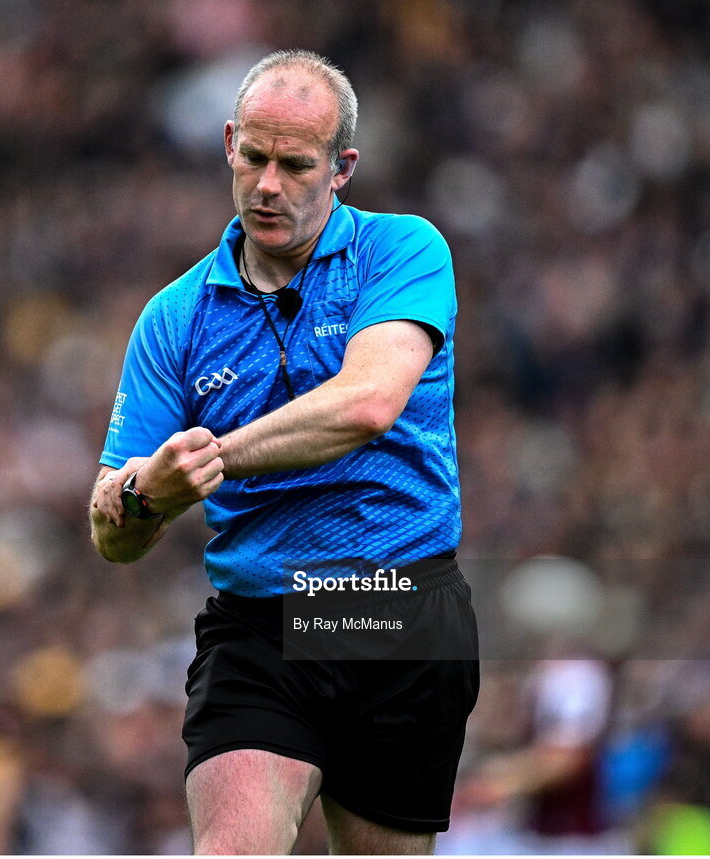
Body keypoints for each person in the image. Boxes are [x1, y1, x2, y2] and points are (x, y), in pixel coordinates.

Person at [89, 49, 478, 855]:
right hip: (263, 624)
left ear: (342, 169)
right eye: (254, 157)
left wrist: (212, 461)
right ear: (229, 142)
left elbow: (368, 403)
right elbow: (113, 533)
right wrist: (145, 493)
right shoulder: (173, 317)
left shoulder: (403, 251)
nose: (268, 185)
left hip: (401, 610)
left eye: (296, 165)